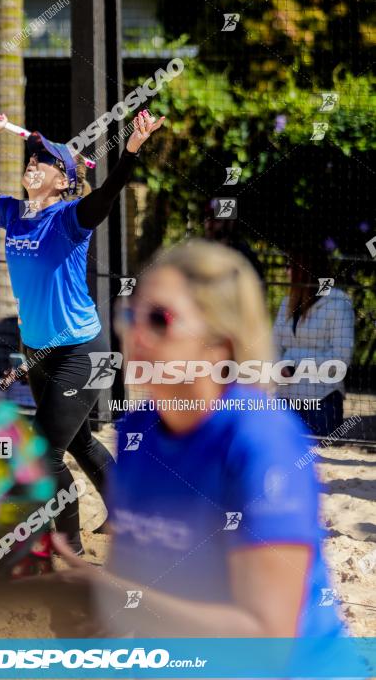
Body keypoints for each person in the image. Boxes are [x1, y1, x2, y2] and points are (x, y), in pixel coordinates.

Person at [52, 240, 345, 641]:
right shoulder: (138, 427)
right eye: (130, 314)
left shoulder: (262, 441)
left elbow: (270, 640)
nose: (137, 334)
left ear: (219, 343)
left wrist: (117, 598)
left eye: (159, 319)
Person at [0, 108, 165, 554]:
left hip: (82, 351)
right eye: (31, 158)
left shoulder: (71, 217)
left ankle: (70, 547)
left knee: (43, 454)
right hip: (39, 350)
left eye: (44, 161)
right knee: (78, 439)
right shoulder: (13, 212)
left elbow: (107, 193)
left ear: (65, 179)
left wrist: (130, 151)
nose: (32, 162)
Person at [273, 246, 355, 436]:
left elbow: (341, 360)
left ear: (304, 269)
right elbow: (272, 346)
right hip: (286, 400)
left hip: (322, 401)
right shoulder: (287, 302)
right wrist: (278, 366)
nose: (286, 271)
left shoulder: (338, 302)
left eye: (290, 266)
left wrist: (296, 367)